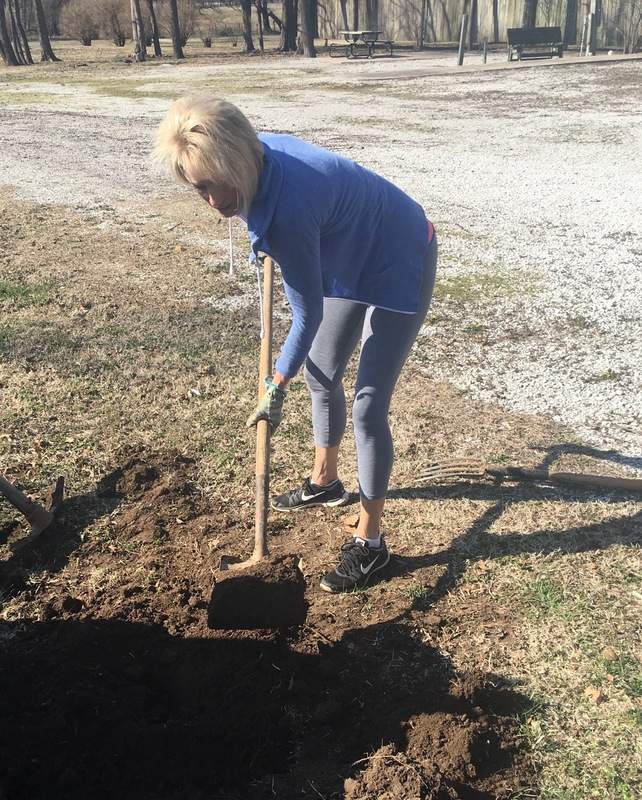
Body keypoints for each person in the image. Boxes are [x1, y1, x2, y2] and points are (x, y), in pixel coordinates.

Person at [154, 95, 437, 593]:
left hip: (400, 252)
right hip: (349, 252)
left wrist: (275, 384)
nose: (213, 201)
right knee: (322, 370)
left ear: (239, 161)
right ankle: (325, 482)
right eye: (199, 188)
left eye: (217, 184)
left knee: (368, 405)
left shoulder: (288, 211)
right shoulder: (253, 156)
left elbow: (307, 316)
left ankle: (372, 543)